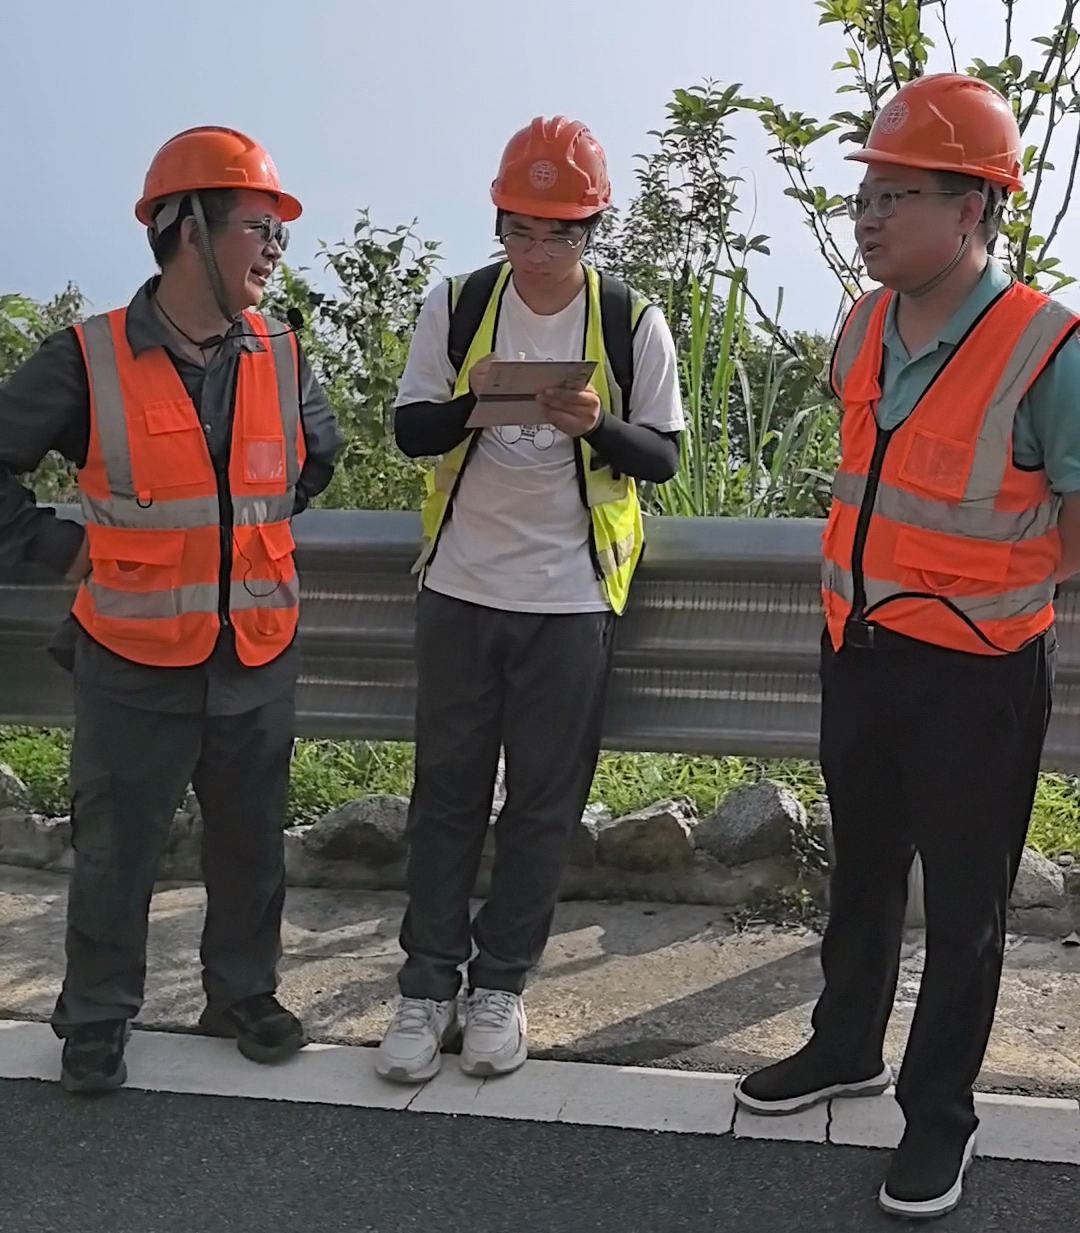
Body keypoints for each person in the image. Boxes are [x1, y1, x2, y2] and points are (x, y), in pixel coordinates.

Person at [733, 74, 1080, 1219]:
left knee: (966, 907)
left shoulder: (1047, 348)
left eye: (896, 196)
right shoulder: (864, 324)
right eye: (864, 198)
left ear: (972, 206)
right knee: (864, 866)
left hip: (978, 674)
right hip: (859, 645)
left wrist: (979, 596)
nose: (869, 218)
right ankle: (846, 1045)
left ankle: (940, 1120)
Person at [0, 126, 341, 1092]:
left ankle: (243, 994)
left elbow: (315, 459)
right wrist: (60, 546)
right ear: (189, 228)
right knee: (117, 848)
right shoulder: (87, 357)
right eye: (259, 228)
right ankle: (96, 1017)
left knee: (251, 842)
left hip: (255, 645)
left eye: (278, 231)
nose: (274, 249)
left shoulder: (282, 352)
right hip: (132, 653)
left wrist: (242, 539)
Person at [377, 116, 683, 1083]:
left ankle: (501, 984)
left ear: (593, 228)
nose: (540, 251)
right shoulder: (459, 304)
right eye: (521, 229)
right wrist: (475, 405)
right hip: (461, 588)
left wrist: (597, 427)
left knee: (543, 807)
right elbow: (409, 431)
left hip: (571, 599)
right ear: (498, 221)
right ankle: (426, 985)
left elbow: (662, 456)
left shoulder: (630, 319)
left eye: (561, 232)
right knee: (446, 797)